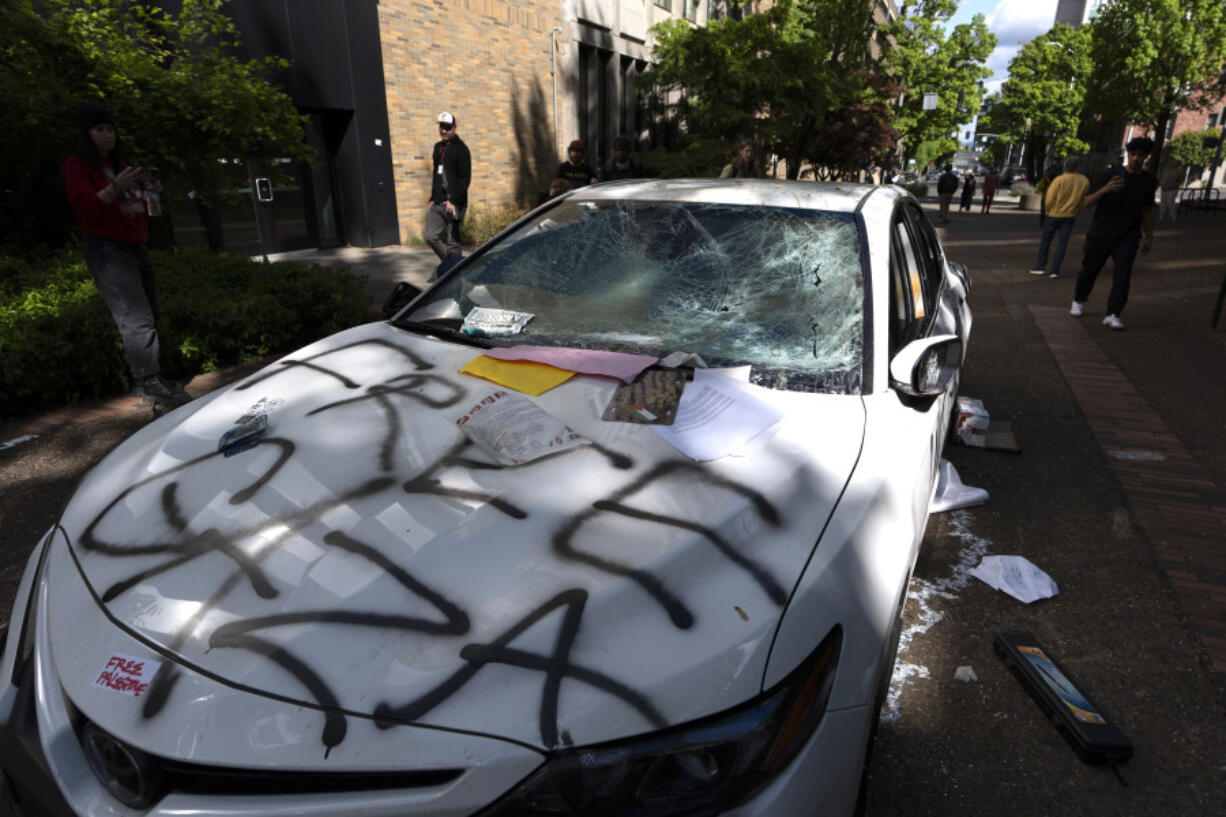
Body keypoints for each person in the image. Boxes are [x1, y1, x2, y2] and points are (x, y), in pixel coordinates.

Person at [61, 102, 184, 404]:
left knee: (150, 311)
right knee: (135, 316)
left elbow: (136, 209)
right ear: (87, 134)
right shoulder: (77, 165)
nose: (107, 135)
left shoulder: (121, 165)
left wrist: (151, 191)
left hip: (134, 244)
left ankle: (146, 380)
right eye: (99, 129)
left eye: (110, 129)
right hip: (107, 249)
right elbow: (87, 210)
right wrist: (117, 186)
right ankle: (150, 382)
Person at [1069, 136, 1159, 331]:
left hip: (1128, 235)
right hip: (1101, 232)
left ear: (1147, 156)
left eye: (1141, 155)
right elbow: (1086, 202)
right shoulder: (1110, 174)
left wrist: (1149, 236)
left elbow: (1147, 210)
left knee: (1123, 275)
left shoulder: (1149, 181)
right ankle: (1079, 299)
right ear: (1128, 154)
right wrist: (1106, 189)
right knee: (1089, 270)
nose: (1136, 158)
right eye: (1133, 154)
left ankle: (1113, 314)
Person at [1029, 156, 1091, 278]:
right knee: (1062, 243)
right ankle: (1055, 269)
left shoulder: (1059, 180)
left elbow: (1050, 199)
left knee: (1046, 241)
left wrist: (1048, 210)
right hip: (1070, 215)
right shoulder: (1084, 180)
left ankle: (1041, 266)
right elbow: (1082, 198)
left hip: (1054, 214)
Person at [426, 111, 471, 260]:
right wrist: (433, 197)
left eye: (448, 127)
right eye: (441, 127)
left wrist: (453, 201)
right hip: (439, 201)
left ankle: (456, 276)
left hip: (455, 203)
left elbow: (465, 179)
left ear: (454, 127)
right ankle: (450, 266)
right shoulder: (437, 147)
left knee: (453, 243)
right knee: (430, 236)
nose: (444, 131)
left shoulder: (462, 149)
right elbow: (436, 174)